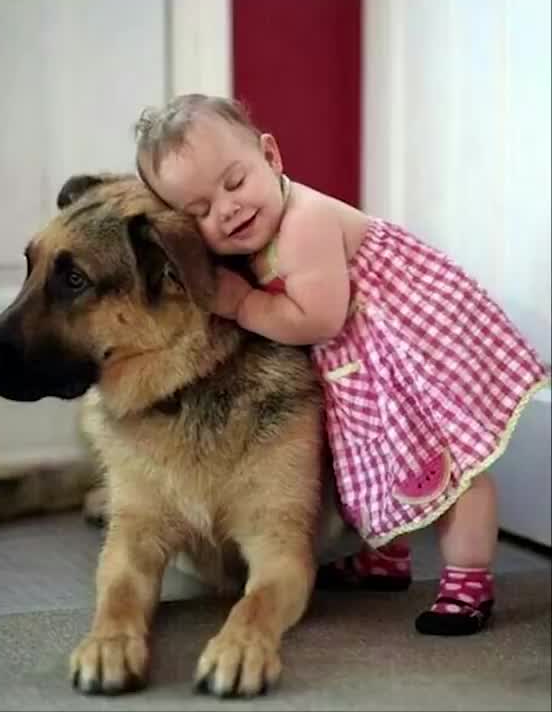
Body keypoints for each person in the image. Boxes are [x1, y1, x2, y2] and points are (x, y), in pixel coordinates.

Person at [131, 93, 549, 636]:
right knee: (377, 457)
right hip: (367, 364)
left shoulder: (305, 223)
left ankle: (468, 580)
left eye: (234, 183)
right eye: (200, 211)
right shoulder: (259, 225)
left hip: (411, 351)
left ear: (272, 157)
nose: (227, 209)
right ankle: (387, 558)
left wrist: (241, 304)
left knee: (452, 465)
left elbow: (319, 319)